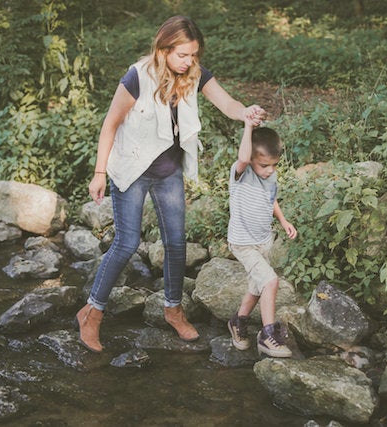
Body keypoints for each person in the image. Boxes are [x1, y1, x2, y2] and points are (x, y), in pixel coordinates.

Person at [76, 15, 265, 353]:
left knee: (177, 243)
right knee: (126, 243)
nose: (189, 61)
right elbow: (110, 124)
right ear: (163, 50)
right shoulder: (138, 77)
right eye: (182, 55)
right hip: (132, 170)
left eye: (193, 55)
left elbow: (226, 102)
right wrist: (99, 172)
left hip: (168, 172)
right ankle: (91, 313)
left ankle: (172, 309)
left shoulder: (194, 74)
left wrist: (245, 112)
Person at [226, 117, 297, 358]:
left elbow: (271, 199)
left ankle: (238, 321)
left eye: (274, 165)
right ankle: (268, 335)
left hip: (262, 241)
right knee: (270, 281)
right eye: (264, 165)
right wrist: (248, 126)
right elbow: (244, 157)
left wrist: (284, 220)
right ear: (252, 160)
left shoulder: (271, 177)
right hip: (243, 243)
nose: (270, 171)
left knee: (257, 287)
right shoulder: (241, 174)